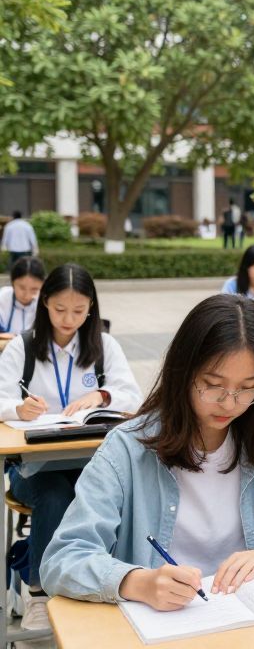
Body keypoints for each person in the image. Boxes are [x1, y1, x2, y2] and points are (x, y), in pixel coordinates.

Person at [39, 294, 254, 610]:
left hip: (247, 619)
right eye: (212, 384)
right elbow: (63, 559)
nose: (229, 402)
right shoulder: (126, 449)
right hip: (160, 626)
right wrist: (137, 583)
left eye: (247, 387)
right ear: (184, 373)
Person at [0, 263, 142, 631]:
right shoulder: (24, 346)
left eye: (79, 311)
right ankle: (39, 595)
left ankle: (107, 581)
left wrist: (102, 393)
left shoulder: (103, 345)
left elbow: (133, 396)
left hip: (87, 461)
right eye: (60, 309)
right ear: (45, 303)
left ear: (91, 308)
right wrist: (18, 407)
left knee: (104, 491)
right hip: (31, 469)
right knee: (54, 493)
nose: (69, 319)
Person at [0, 256, 45, 338]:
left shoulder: (45, 303)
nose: (27, 295)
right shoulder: (2, 298)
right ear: (12, 282)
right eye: (22, 288)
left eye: (34, 289)